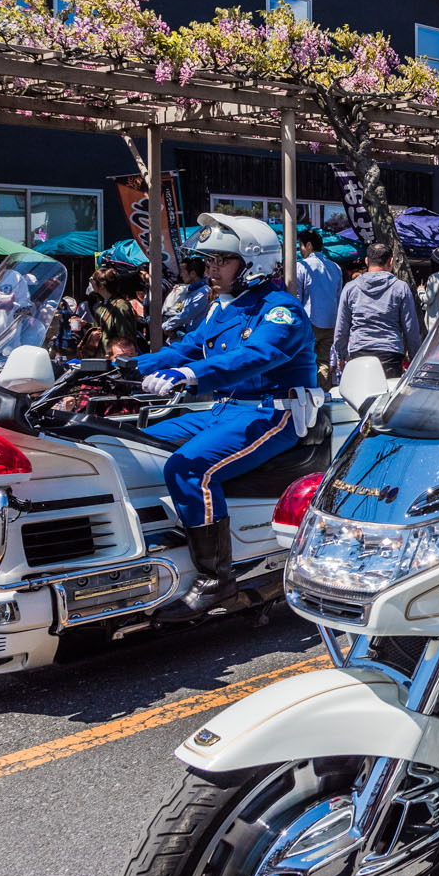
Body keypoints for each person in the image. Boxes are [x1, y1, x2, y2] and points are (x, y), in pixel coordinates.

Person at [124, 213, 319, 617]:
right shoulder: (223, 308)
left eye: (220, 260)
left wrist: (191, 375)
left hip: (274, 411)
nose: (210, 268)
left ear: (253, 263)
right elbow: (183, 350)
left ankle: (218, 580)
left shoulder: (281, 310)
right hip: (223, 409)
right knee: (137, 443)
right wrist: (122, 367)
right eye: (208, 260)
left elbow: (256, 355)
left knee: (189, 469)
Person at [333, 242, 422, 381]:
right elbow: (411, 329)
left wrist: (341, 355)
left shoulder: (350, 288)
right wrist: (415, 357)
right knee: (386, 400)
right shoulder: (400, 288)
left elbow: (341, 327)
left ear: (367, 261)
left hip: (358, 354)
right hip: (390, 354)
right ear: (391, 262)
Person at [294, 230, 344, 383]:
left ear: (308, 246)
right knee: (324, 361)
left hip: (309, 322)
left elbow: (297, 297)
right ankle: (322, 392)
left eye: (301, 246)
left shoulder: (301, 266)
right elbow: (338, 295)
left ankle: (310, 395)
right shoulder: (336, 267)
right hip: (331, 323)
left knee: (305, 361)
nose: (300, 250)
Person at [162, 255, 213, 342]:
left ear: (193, 273)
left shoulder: (203, 293)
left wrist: (165, 325)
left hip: (194, 339)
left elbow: (186, 315)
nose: (181, 275)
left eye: (183, 271)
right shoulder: (189, 290)